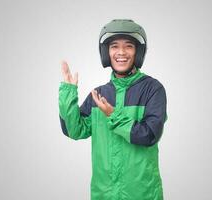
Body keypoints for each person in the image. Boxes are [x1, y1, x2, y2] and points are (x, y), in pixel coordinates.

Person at [58, 19, 168, 200]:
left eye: (129, 46)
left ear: (138, 52)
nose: (121, 52)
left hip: (142, 194)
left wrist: (112, 115)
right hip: (104, 194)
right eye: (114, 46)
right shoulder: (99, 94)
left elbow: (149, 135)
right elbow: (74, 131)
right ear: (106, 52)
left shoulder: (152, 89)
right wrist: (68, 94)